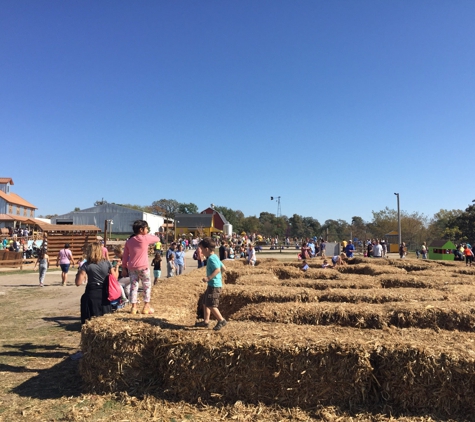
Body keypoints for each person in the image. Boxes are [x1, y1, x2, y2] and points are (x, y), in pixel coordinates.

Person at [122, 220, 160, 315]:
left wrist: (123, 267)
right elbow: (157, 239)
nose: (147, 230)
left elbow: (125, 256)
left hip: (132, 267)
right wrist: (147, 234)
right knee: (146, 286)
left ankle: (133, 307)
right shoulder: (145, 238)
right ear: (141, 229)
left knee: (133, 287)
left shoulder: (129, 241)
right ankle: (146, 306)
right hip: (143, 267)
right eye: (146, 228)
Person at [75, 242, 113, 325]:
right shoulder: (107, 263)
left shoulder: (86, 265)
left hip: (92, 292)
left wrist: (78, 272)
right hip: (105, 292)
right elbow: (114, 278)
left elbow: (78, 282)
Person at [195, 237, 227, 331]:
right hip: (214, 284)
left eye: (201, 249)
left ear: (206, 249)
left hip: (214, 285)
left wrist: (209, 277)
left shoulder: (211, 259)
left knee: (211, 304)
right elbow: (223, 268)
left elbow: (217, 269)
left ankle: (221, 320)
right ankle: (206, 321)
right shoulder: (215, 257)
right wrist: (218, 277)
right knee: (205, 302)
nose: (200, 251)